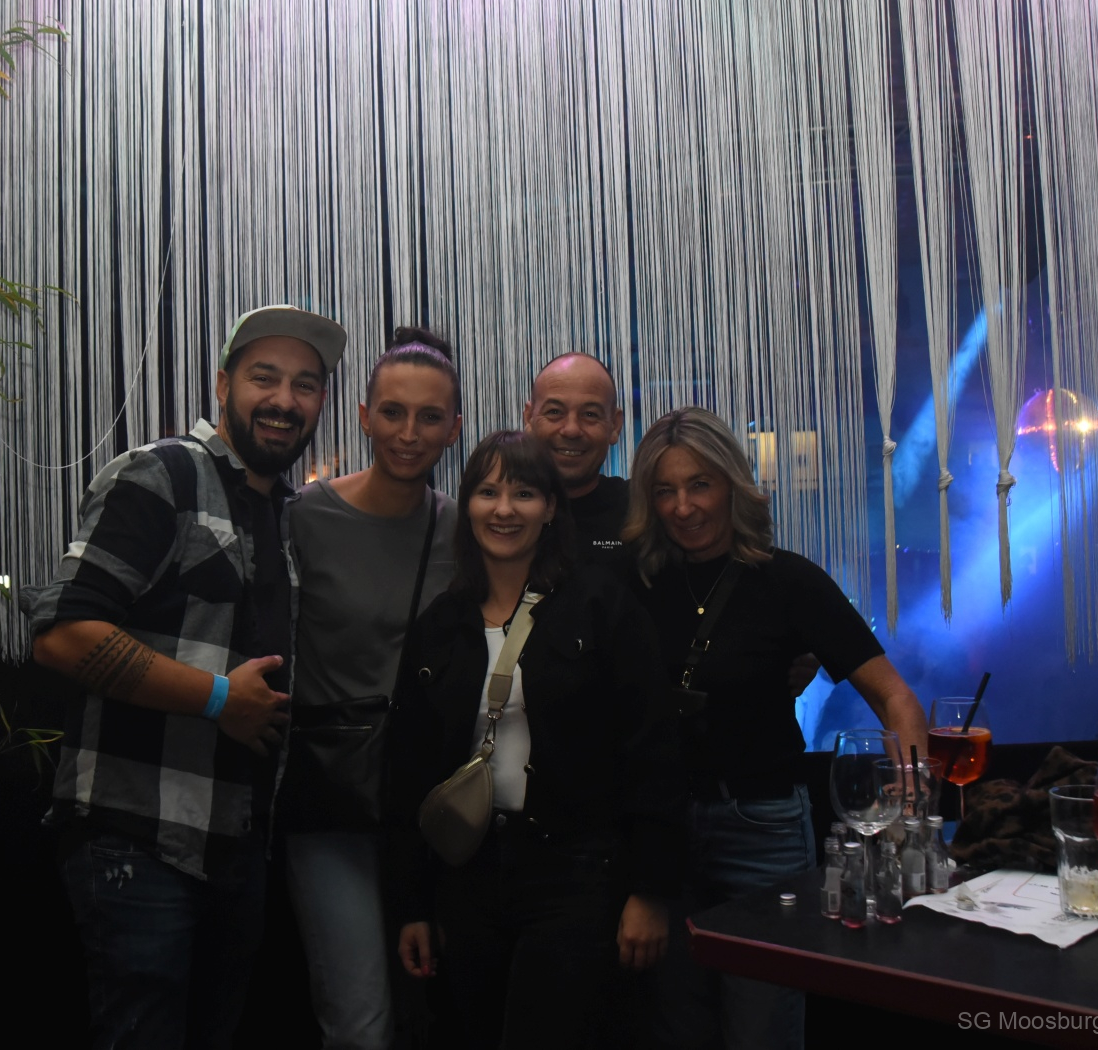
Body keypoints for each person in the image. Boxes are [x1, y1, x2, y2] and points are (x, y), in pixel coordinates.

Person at [24, 305, 345, 1050]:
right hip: (140, 839)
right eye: (265, 378)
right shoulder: (161, 474)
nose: (284, 400)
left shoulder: (282, 512)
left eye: (304, 385)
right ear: (223, 385)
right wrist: (220, 697)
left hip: (235, 844)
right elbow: (63, 633)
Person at [623, 406, 928, 1050]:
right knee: (676, 1028)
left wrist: (908, 800)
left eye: (699, 484)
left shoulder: (788, 579)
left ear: (733, 484)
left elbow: (895, 697)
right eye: (665, 490)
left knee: (762, 1027)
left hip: (762, 828)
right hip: (660, 834)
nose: (683, 507)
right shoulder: (637, 581)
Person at [385, 431, 684, 1050]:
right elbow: (408, 772)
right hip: (468, 876)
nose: (504, 509)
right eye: (488, 492)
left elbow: (653, 751)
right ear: (467, 506)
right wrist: (411, 905)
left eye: (523, 494)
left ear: (550, 508)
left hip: (576, 875)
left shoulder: (600, 605)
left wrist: (650, 891)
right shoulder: (441, 624)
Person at [279, 328, 462, 1050]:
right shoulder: (303, 518)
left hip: (437, 803)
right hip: (336, 798)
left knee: (445, 1009)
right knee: (360, 1021)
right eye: (392, 412)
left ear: (454, 427)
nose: (408, 433)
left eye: (428, 417)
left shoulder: (467, 529)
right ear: (362, 416)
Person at [523, 352, 628, 560]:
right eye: (554, 412)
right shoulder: (499, 515)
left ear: (615, 425)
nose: (571, 430)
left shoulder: (643, 513)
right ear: (529, 419)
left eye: (590, 414)